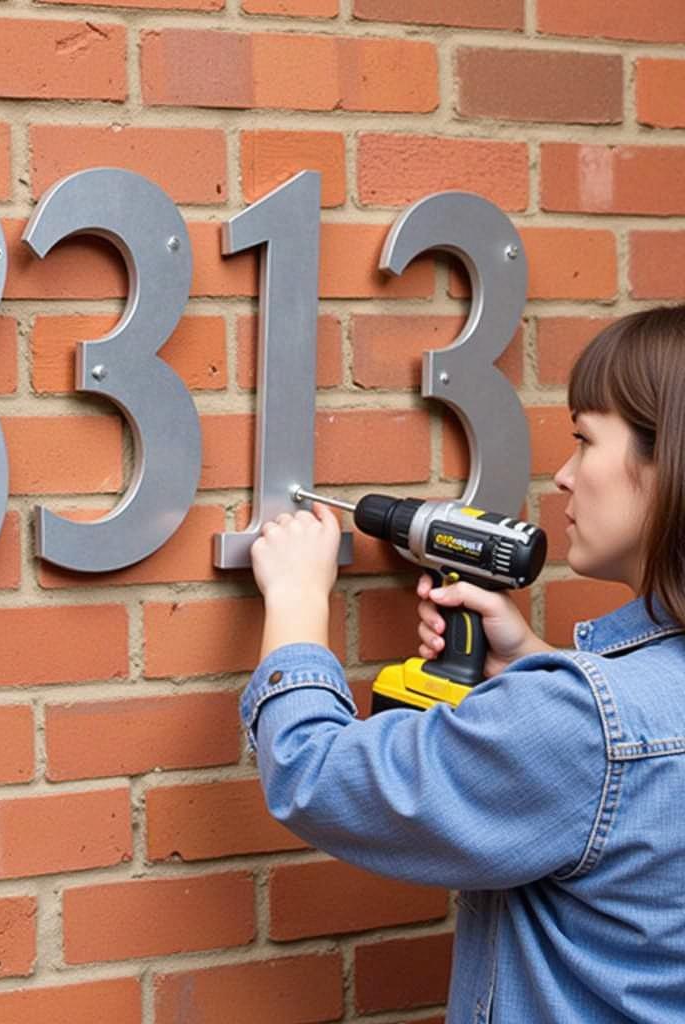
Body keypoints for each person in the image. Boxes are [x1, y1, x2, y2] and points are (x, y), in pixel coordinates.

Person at [244, 306, 685, 1023]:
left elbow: (311, 774)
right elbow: (633, 756)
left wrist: (295, 601)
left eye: (584, 441)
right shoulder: (607, 719)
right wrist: (531, 662)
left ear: (670, 461)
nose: (565, 476)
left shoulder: (584, 725)